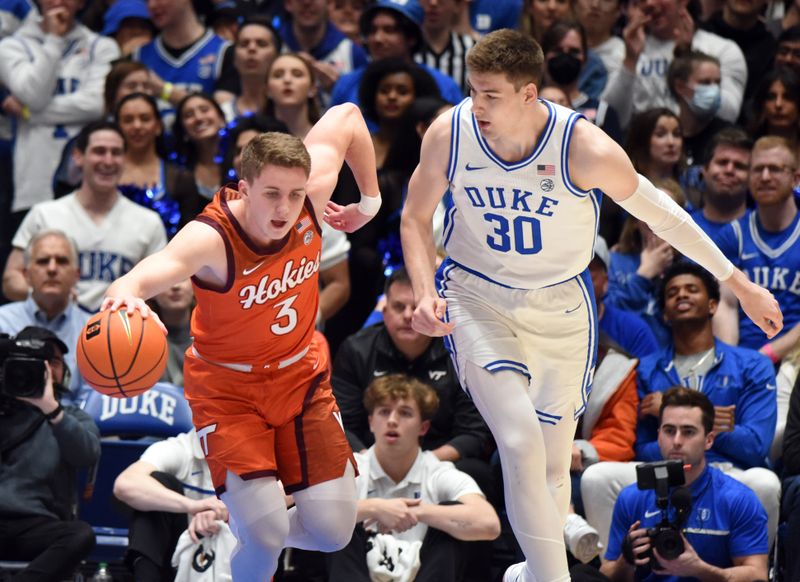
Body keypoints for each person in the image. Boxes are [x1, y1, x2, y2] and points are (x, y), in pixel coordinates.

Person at [399, 28, 782, 582]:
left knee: (554, 465)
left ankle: (535, 567)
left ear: (529, 94)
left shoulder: (584, 147)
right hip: (477, 294)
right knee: (518, 441)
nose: (475, 104)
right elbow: (414, 218)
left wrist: (740, 284)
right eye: (472, 90)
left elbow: (665, 216)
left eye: (491, 95)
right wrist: (424, 288)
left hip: (560, 304)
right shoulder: (450, 133)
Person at [102, 102, 381, 581]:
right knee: (268, 538)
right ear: (244, 187)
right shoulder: (211, 238)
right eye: (271, 193)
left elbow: (351, 116)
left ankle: (253, 527)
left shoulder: (309, 196)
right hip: (228, 391)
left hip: (301, 376)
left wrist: (369, 201)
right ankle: (257, 534)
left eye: (294, 195)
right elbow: (141, 276)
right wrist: (124, 298)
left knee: (334, 533)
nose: (284, 208)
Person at [582, 261, 781, 548]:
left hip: (728, 469)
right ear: (664, 312)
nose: (682, 295)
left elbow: (754, 447)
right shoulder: (646, 369)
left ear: (713, 305)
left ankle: (756, 570)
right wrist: (711, 428)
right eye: (673, 292)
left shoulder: (753, 365)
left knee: (765, 483)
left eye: (691, 289)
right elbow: (640, 446)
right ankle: (611, 570)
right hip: (664, 472)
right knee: (597, 477)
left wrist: (674, 415)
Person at [326, 374, 501, 582]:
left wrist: (416, 511)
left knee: (452, 513)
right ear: (371, 423)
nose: (392, 420)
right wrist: (375, 508)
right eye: (384, 412)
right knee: (341, 517)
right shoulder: (351, 468)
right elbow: (313, 517)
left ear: (423, 428)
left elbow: (490, 525)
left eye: (405, 413)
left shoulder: (438, 471)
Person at [600, 387, 769, 582]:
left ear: (709, 440)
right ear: (658, 436)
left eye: (688, 432)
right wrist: (626, 560)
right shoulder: (631, 498)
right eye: (669, 431)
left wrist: (700, 570)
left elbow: (757, 575)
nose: (677, 441)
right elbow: (607, 575)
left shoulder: (739, 500)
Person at [3, 120, 167, 311]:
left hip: (121, 333)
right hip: (52, 330)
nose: (108, 161)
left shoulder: (148, 221)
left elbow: (163, 290)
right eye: (99, 151)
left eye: (116, 153)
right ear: (78, 157)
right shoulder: (44, 214)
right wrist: (43, 295)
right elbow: (11, 279)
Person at [0, 0, 119, 223]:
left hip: (86, 183)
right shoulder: (11, 46)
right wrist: (54, 40)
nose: (59, 1)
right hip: (32, 183)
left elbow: (96, 105)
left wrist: (30, 115)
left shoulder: (101, 46)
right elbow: (33, 94)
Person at [0, 326, 100, 580]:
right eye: (33, 362)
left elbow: (87, 455)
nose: (43, 369)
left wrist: (52, 411)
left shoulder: (72, 417)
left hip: (37, 527)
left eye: (52, 361)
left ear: (63, 370)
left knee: (81, 535)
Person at [715, 136, 800, 358]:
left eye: (774, 169)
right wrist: (734, 361)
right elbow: (726, 305)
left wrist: (769, 355)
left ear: (795, 178)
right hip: (746, 358)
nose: (764, 177)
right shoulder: (733, 235)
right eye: (758, 169)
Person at [113, 428, 231, 581]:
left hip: (238, 553)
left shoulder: (258, 451)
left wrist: (226, 512)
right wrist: (192, 506)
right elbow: (125, 484)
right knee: (156, 483)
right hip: (181, 554)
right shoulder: (181, 448)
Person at [0, 230, 91, 405]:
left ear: (77, 275)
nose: (52, 269)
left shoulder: (94, 331)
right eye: (43, 261)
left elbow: (95, 404)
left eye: (62, 261)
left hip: (71, 426)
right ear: (26, 274)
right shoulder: (2, 322)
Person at [687, 126, 750, 240]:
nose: (729, 170)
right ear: (704, 170)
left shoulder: (765, 229)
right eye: (722, 162)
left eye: (739, 166)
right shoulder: (684, 228)